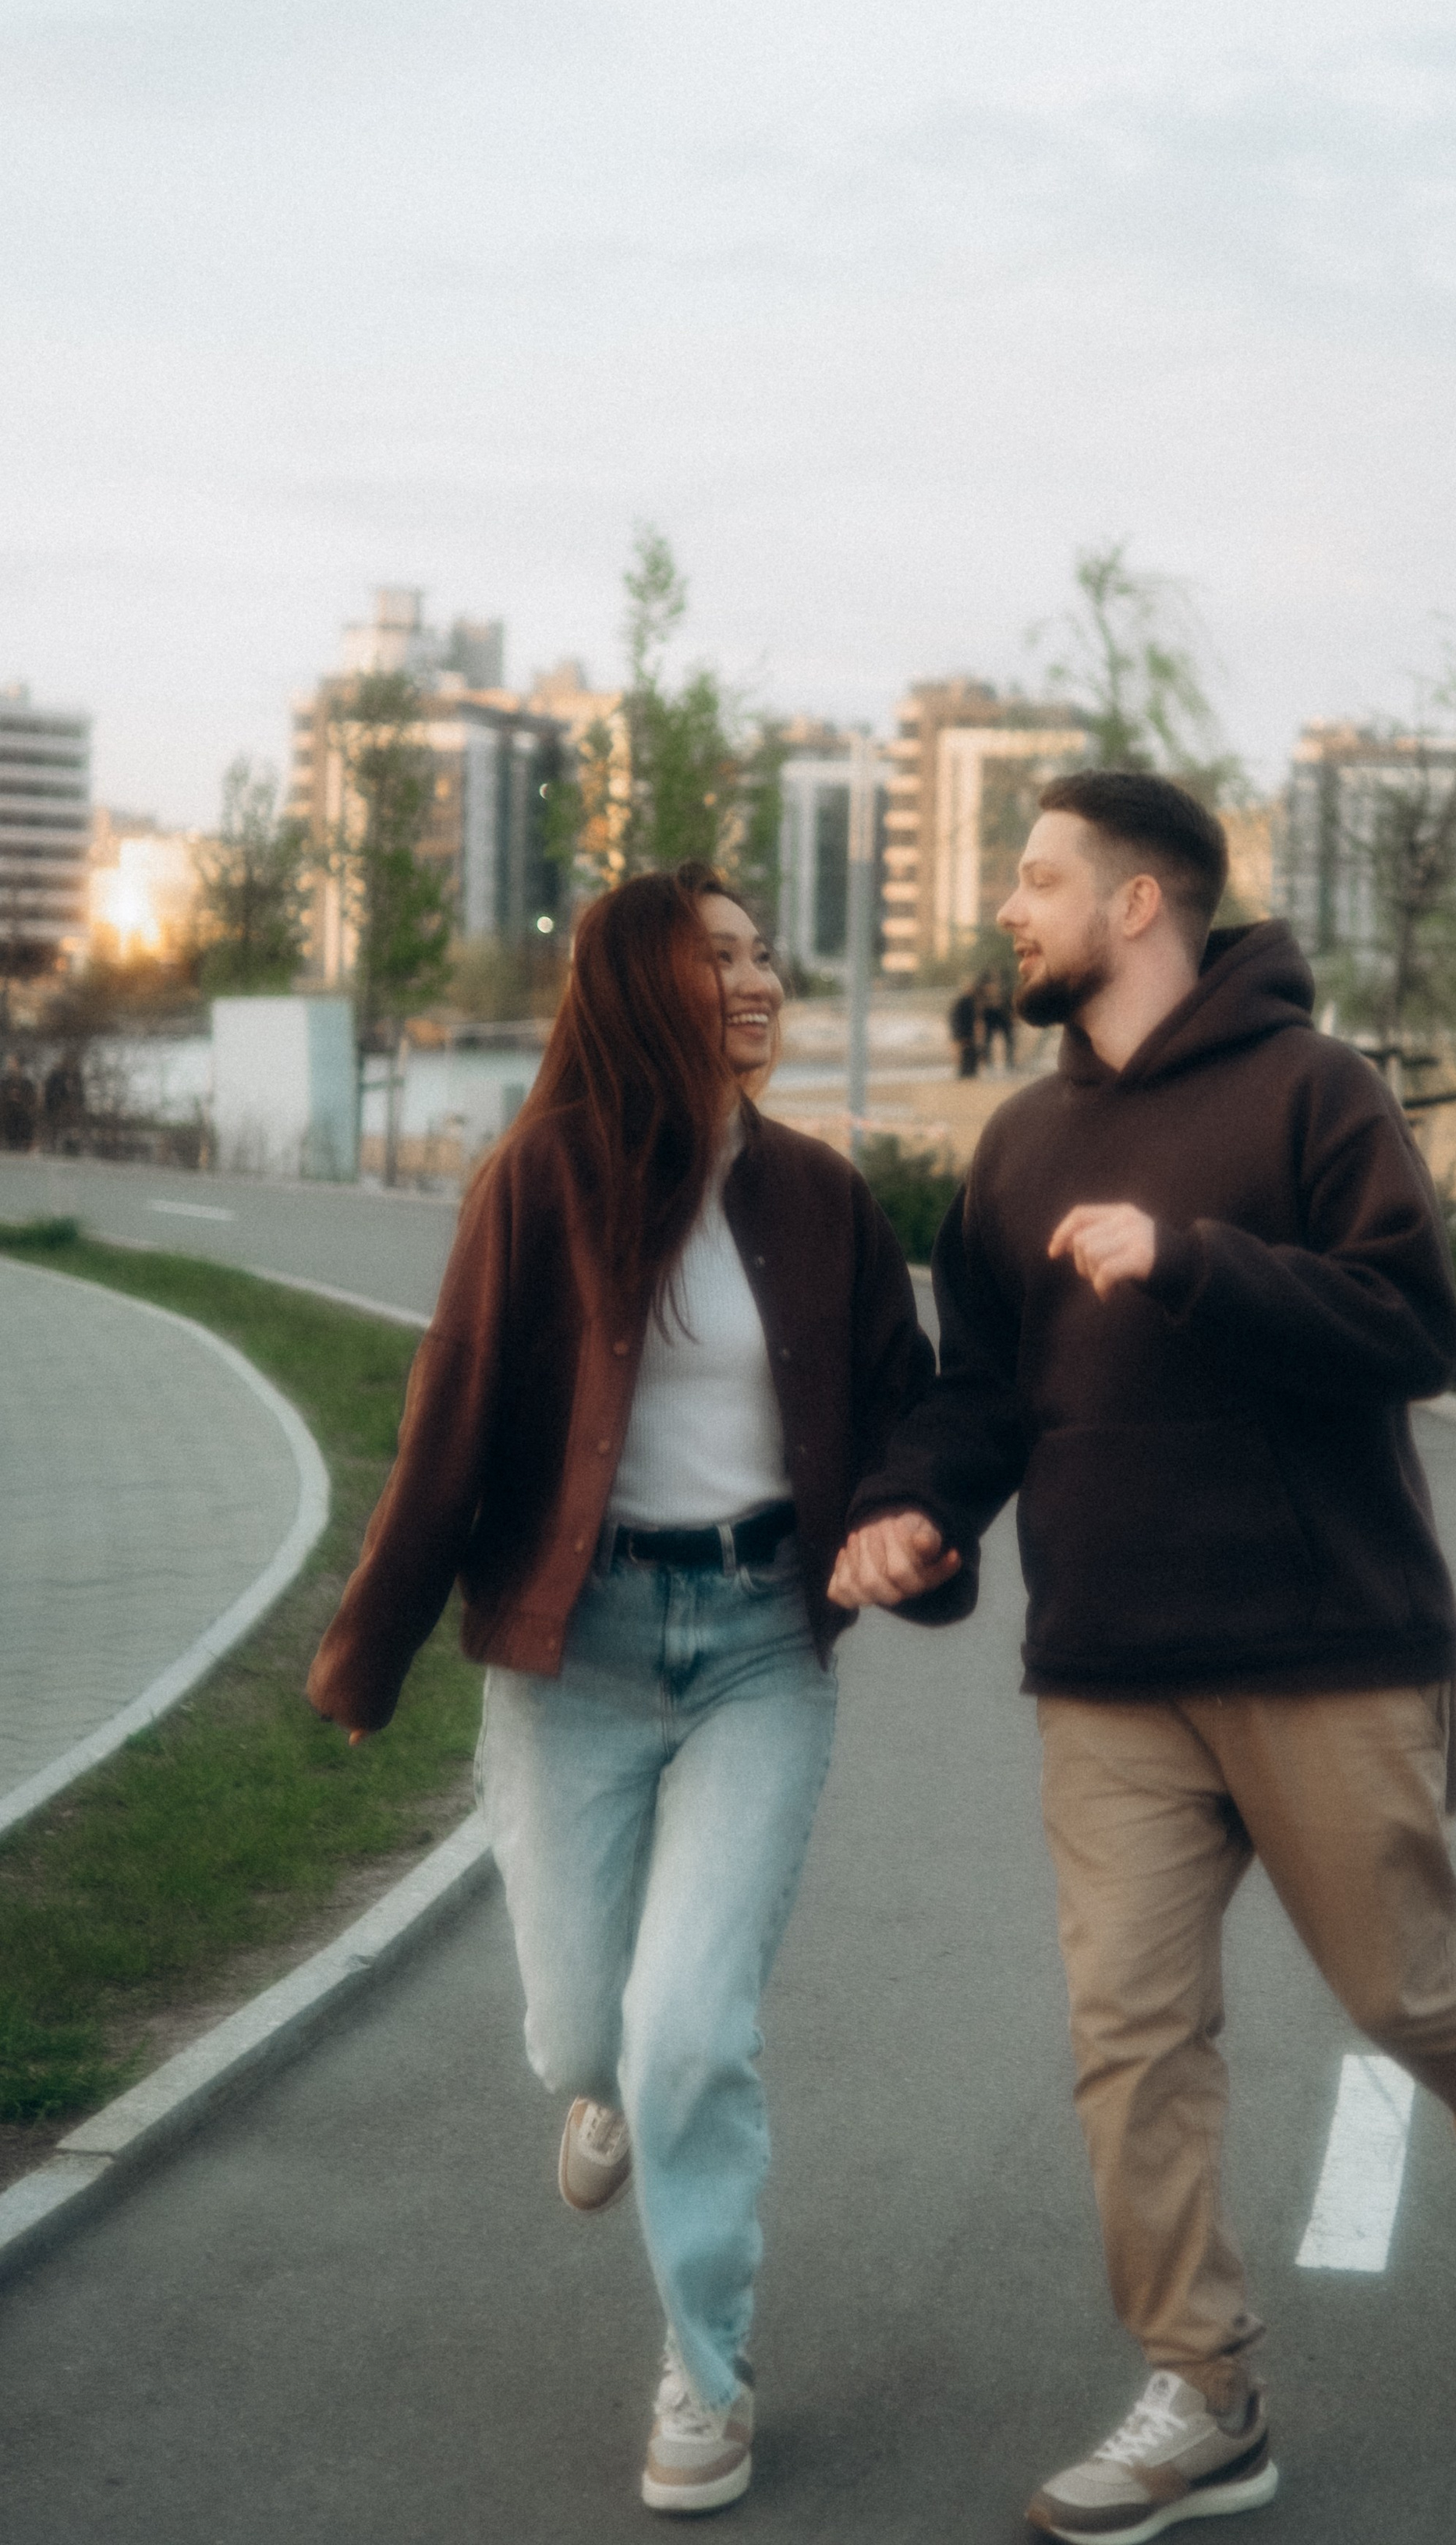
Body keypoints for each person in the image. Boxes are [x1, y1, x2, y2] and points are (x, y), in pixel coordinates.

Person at [832, 771, 1456, 2545]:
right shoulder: (1016, 1147)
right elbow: (981, 1390)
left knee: (1400, 1991)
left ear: (1137, 903)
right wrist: (912, 1507)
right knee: (1129, 2035)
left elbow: (1410, 1326)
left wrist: (1192, 1262)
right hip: (1107, 1664)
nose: (1007, 908)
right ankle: (1204, 2392)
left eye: (1036, 877)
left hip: (1323, 1640)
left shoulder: (1313, 1092)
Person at [307, 865, 933, 2518]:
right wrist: (370, 1648)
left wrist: (909, 1523)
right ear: (638, 990)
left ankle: (706, 2374)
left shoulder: (822, 1198)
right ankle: (605, 2091)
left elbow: (905, 1405)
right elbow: (448, 1417)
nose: (756, 980)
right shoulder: (540, 1181)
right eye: (716, 957)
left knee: (687, 2034)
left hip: (758, 1651)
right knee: (588, 2034)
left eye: (762, 954)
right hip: (574, 1656)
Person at [976, 966, 1015, 1071]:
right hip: (990, 1014)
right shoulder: (983, 984)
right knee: (988, 1040)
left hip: (1003, 1014)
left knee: (1009, 1039)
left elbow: (1010, 999)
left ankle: (1010, 1063)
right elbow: (979, 1002)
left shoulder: (1005, 985)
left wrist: (1012, 1014)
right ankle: (989, 1064)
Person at [948, 977, 983, 1080]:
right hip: (964, 1032)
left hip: (963, 1031)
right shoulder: (966, 1001)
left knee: (966, 1051)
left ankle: (966, 1072)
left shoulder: (966, 1001)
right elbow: (966, 1018)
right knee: (965, 1051)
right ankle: (966, 1072)